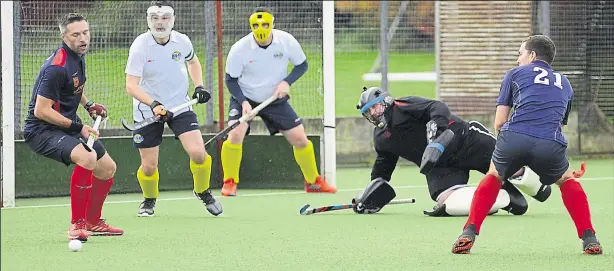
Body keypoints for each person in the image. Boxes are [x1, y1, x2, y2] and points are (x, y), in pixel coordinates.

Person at [451, 35, 602, 255]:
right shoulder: (565, 82)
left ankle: (469, 232)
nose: (518, 59)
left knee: (494, 176)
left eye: (520, 54)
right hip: (549, 143)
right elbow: (557, 122)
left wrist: (506, 148)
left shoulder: (514, 74)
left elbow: (500, 122)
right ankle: (590, 237)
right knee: (567, 180)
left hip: (514, 137)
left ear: (532, 55)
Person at [353, 86, 558, 216]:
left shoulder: (403, 106)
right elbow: (383, 169)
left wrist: (436, 128)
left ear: (386, 102)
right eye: (368, 112)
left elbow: (437, 106)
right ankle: (499, 195)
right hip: (440, 166)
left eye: (375, 107)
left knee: (518, 173)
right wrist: (370, 195)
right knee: (445, 200)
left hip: (466, 141)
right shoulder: (381, 139)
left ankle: (530, 183)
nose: (373, 114)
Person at [23, 13, 123, 241]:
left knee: (107, 168)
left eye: (85, 33)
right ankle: (76, 225)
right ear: (64, 37)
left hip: (63, 126)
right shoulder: (56, 67)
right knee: (87, 158)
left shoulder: (77, 56)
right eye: (76, 35)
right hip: (41, 130)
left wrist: (89, 106)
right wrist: (79, 127)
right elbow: (41, 110)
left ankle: (93, 221)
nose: (83, 39)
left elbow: (73, 87)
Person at [220, 7, 337, 196]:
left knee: (300, 138)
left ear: (272, 24)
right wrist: (243, 102)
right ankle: (229, 182)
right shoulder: (239, 49)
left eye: (265, 24)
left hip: (275, 98)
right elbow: (230, 80)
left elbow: (302, 65)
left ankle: (313, 182)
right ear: (251, 26)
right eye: (256, 25)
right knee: (235, 133)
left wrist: (286, 82)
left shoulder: (286, 41)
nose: (261, 29)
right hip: (246, 97)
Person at [125, 1, 222, 217]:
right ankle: (149, 200)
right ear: (148, 20)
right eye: (155, 18)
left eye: (165, 17)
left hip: (180, 105)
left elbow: (193, 62)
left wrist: (199, 86)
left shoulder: (182, 41)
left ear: (173, 19)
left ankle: (203, 191)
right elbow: (131, 85)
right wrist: (154, 104)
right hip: (147, 111)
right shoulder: (140, 46)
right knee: (149, 167)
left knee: (198, 153)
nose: (160, 23)